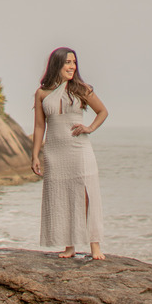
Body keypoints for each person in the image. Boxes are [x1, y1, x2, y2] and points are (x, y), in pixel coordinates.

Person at [30, 46, 108, 260]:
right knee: (61, 196)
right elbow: (39, 127)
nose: (72, 66)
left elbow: (102, 111)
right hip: (55, 151)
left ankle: (95, 246)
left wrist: (89, 128)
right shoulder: (42, 93)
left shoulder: (81, 88)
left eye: (74, 62)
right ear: (57, 64)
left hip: (79, 149)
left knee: (86, 194)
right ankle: (69, 246)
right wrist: (35, 155)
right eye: (68, 62)